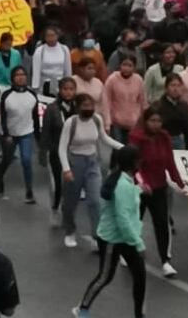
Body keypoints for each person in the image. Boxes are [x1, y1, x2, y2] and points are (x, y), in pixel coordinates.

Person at [73, 145, 147, 318]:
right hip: (113, 239)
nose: (141, 162)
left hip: (126, 237)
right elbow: (122, 218)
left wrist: (139, 189)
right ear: (133, 163)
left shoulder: (126, 181)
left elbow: (126, 201)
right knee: (105, 276)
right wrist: (138, 243)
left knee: (140, 276)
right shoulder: (122, 184)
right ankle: (82, 309)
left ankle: (139, 314)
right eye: (138, 159)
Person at [59, 92, 123, 250]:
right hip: (75, 163)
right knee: (70, 202)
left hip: (92, 163)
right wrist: (66, 169)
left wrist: (123, 147)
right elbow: (62, 147)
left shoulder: (97, 119)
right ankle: (70, 231)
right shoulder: (71, 122)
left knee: (95, 200)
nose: (89, 108)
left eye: (91, 105)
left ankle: (96, 236)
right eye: (85, 106)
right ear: (78, 106)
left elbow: (104, 138)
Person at [129, 107, 184, 277]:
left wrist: (180, 182)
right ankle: (129, 252)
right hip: (140, 189)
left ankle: (165, 261)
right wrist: (141, 183)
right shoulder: (136, 137)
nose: (156, 124)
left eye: (158, 121)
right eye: (152, 121)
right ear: (145, 121)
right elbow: (133, 164)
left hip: (159, 187)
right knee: (134, 222)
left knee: (162, 224)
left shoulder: (164, 137)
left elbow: (169, 161)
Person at [0, 66, 40, 203]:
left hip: (26, 133)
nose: (21, 77)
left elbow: (35, 117)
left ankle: (29, 191)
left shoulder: (32, 95)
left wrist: (38, 136)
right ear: (13, 78)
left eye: (23, 74)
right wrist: (6, 134)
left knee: (26, 160)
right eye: (17, 75)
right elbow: (2, 117)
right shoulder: (6, 95)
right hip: (9, 135)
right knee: (7, 159)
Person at [41, 76, 78, 226]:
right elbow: (45, 132)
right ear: (60, 90)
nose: (68, 92)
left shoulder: (78, 107)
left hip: (74, 151)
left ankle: (67, 209)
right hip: (56, 151)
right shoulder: (52, 109)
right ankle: (55, 208)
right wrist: (43, 151)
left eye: (71, 89)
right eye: (65, 89)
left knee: (72, 184)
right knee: (58, 184)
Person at [102, 56, 146, 143]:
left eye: (130, 66)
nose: (126, 68)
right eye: (124, 65)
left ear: (134, 67)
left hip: (133, 123)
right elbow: (106, 102)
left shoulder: (139, 80)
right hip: (116, 123)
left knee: (132, 150)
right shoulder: (112, 79)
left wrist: (144, 120)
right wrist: (107, 123)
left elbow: (143, 101)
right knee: (118, 149)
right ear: (120, 66)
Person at [31, 26, 72, 97]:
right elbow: (36, 71)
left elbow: (68, 69)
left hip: (60, 83)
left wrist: (69, 83)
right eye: (48, 36)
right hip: (45, 83)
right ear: (45, 37)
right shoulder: (40, 50)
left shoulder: (64, 49)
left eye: (53, 35)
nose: (51, 38)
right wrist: (35, 88)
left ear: (57, 36)